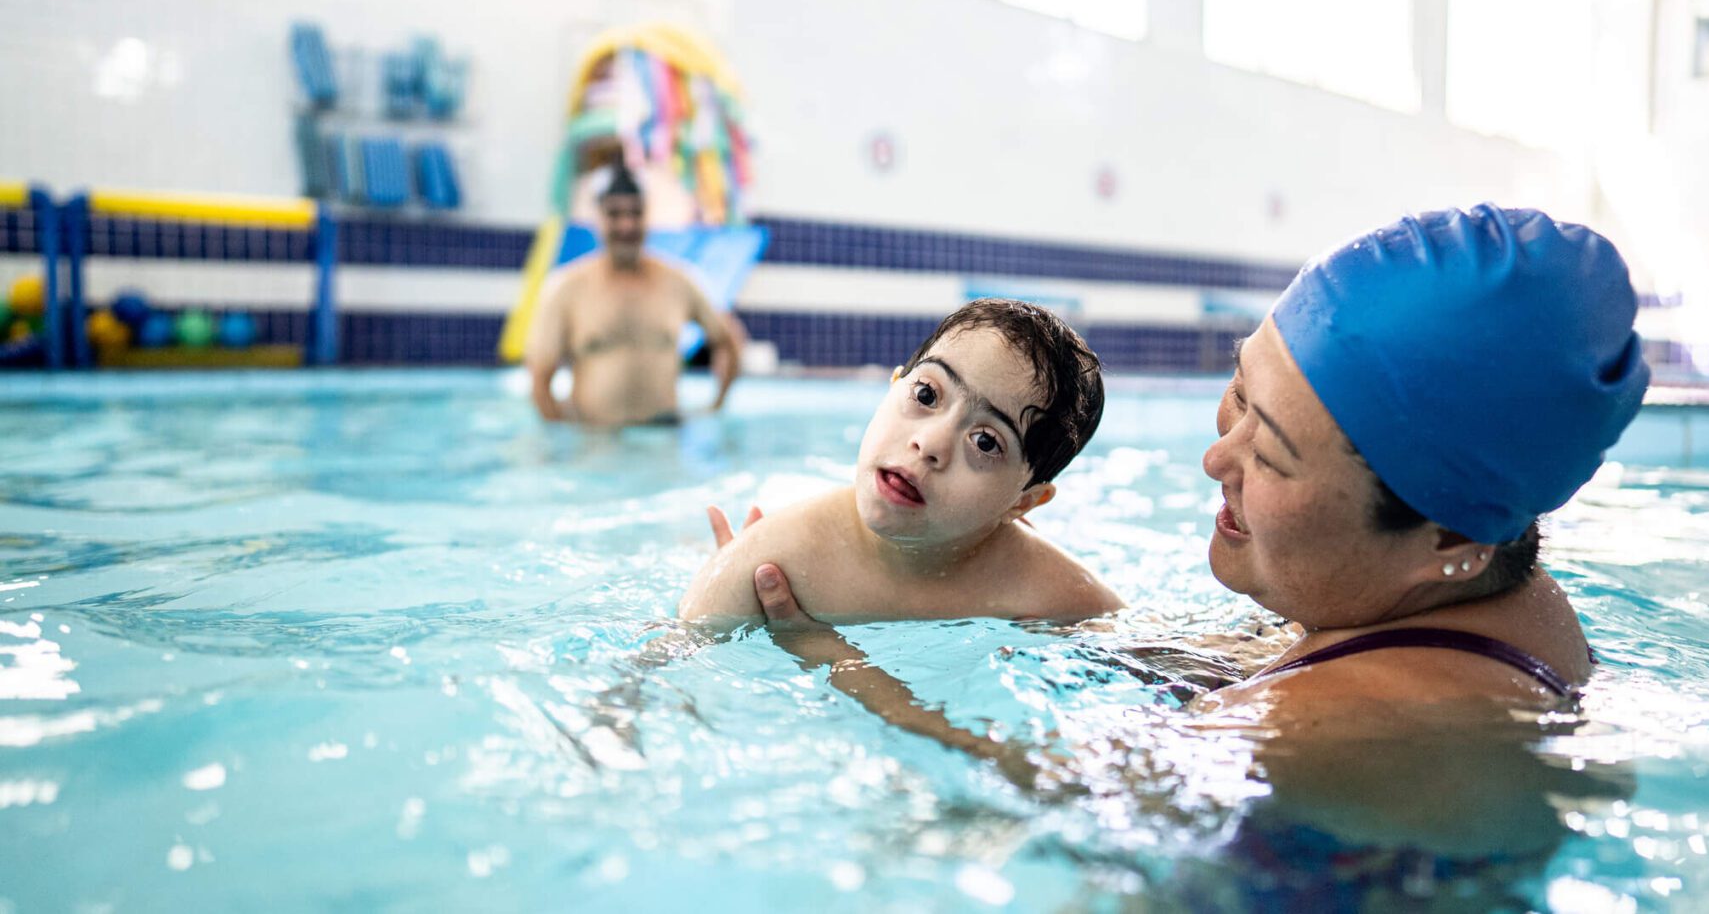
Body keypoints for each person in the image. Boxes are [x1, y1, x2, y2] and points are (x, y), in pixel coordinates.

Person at [723, 205, 1649, 864]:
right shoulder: (1479, 576)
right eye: (1241, 392)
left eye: (1274, 452)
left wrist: (823, 648)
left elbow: (1028, 787)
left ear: (1445, 534)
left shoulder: (1340, 725)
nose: (1218, 458)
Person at [680, 298, 1124, 624]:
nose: (929, 444)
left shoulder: (1057, 595)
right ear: (894, 385)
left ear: (1024, 502)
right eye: (927, 395)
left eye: (986, 442)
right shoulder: (774, 565)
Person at [524, 159, 742, 426]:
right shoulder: (566, 288)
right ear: (597, 218)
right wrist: (561, 439)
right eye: (615, 214)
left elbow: (727, 340)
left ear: (647, 216)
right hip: (596, 441)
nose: (626, 225)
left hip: (663, 436)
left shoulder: (679, 282)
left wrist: (715, 406)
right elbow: (539, 374)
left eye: (635, 213)